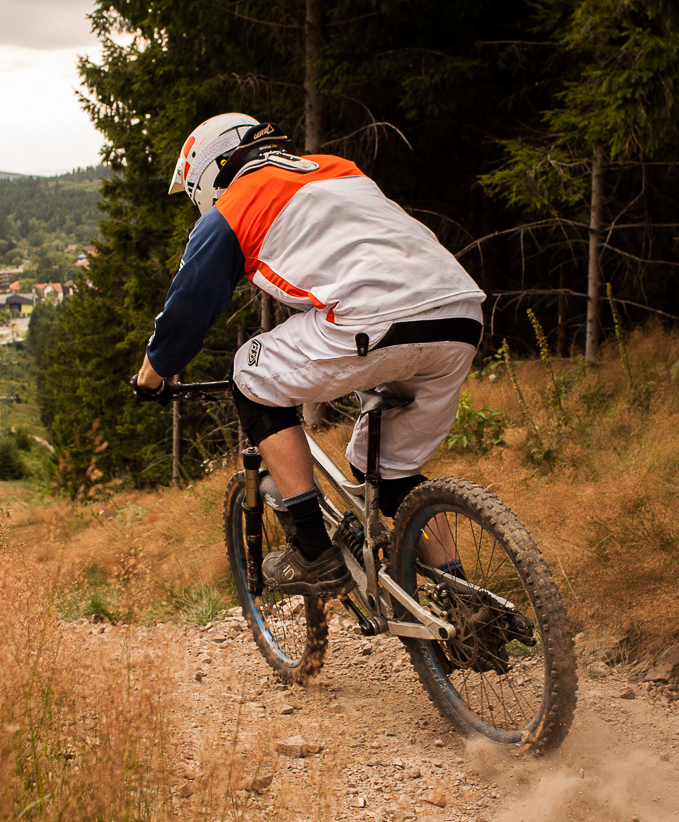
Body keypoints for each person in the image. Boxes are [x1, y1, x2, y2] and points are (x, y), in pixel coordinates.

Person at [132, 113, 484, 594]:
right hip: (460, 313)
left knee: (249, 376)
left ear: (210, 173)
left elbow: (187, 311)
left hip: (371, 319)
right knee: (391, 471)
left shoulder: (232, 208)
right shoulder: (338, 168)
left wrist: (151, 376)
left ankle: (314, 551)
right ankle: (465, 600)